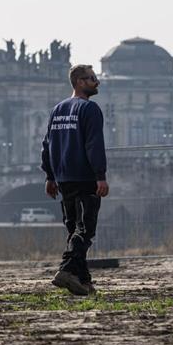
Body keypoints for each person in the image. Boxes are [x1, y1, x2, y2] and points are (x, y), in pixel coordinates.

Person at [41, 64, 109, 296]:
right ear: (80, 82)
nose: (97, 82)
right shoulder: (89, 109)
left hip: (63, 178)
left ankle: (83, 280)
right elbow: (94, 144)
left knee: (74, 229)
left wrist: (50, 176)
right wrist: (100, 176)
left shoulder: (57, 110)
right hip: (84, 175)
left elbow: (47, 145)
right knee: (85, 229)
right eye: (92, 78)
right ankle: (67, 269)